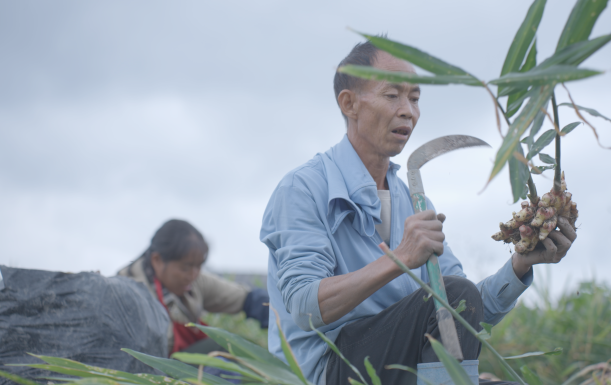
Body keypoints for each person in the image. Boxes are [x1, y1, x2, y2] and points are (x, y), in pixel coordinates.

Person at [260, 40, 577, 385]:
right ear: (349, 103)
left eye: (414, 98)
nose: (408, 111)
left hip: (402, 367)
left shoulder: (411, 197)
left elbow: (461, 310)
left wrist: (520, 265)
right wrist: (400, 258)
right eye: (392, 95)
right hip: (330, 369)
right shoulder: (302, 189)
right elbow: (304, 308)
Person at [118, 219, 269, 355]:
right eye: (185, 268)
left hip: (181, 363)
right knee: (222, 349)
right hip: (150, 369)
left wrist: (276, 314)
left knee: (244, 347)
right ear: (157, 260)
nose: (193, 275)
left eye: (199, 267)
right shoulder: (129, 293)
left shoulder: (194, 282)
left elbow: (245, 299)